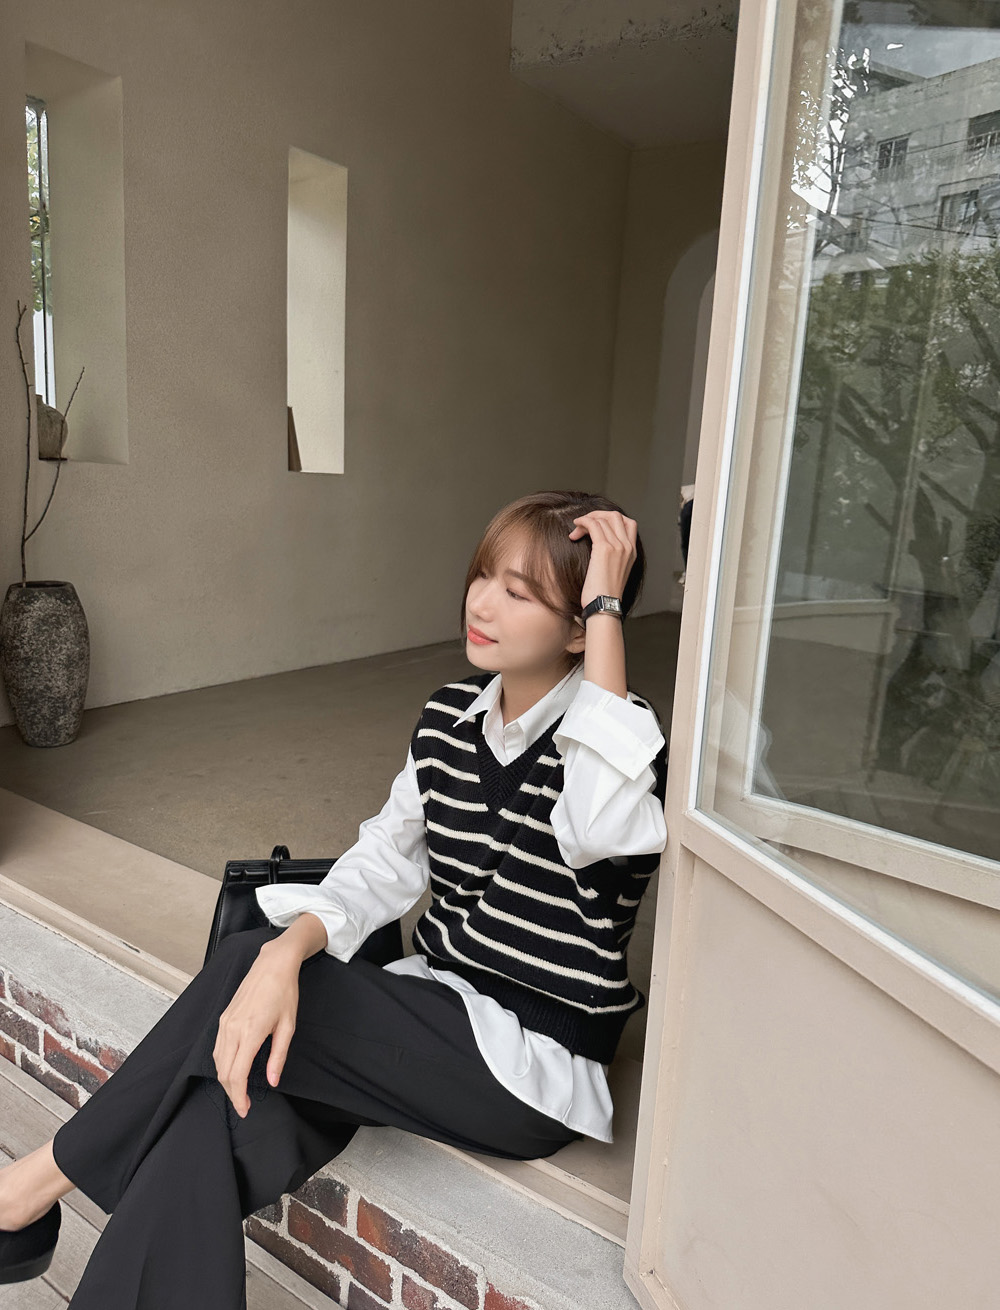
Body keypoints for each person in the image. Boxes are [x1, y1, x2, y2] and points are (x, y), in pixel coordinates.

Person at [0, 490, 669, 1307]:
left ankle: (27, 1191)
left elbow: (600, 829)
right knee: (215, 1113)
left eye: (519, 592)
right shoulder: (449, 718)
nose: (482, 603)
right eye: (483, 576)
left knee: (245, 973)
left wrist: (608, 607)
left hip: (528, 1063)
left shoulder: (617, 741)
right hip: (430, 1012)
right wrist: (292, 950)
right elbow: (383, 858)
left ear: (580, 628)